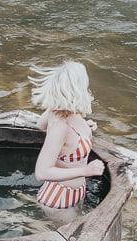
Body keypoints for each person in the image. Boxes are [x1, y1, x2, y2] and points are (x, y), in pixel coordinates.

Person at [31, 61, 105, 211]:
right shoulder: (61, 126)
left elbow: (40, 125)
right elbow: (41, 172)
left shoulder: (65, 112)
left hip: (75, 192)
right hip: (59, 198)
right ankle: (12, 218)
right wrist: (86, 171)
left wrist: (86, 128)